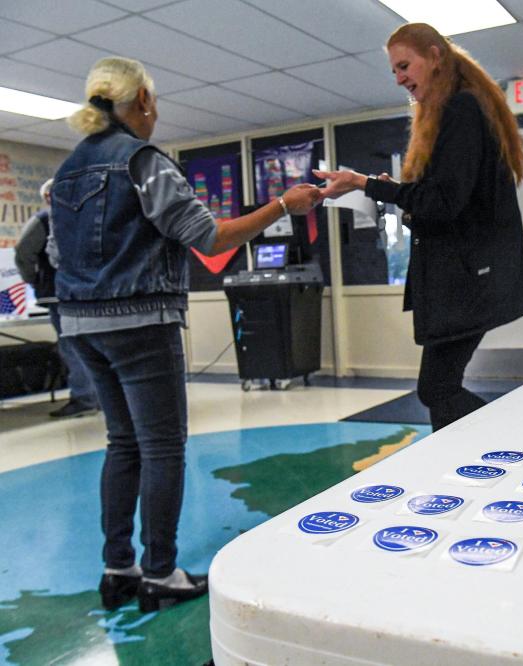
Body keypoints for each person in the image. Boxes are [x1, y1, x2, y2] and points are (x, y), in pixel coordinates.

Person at [51, 57, 320, 613]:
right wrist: (282, 205)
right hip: (140, 321)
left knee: (121, 443)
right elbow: (209, 236)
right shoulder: (142, 160)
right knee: (162, 446)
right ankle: (160, 573)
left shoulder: (68, 171)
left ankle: (117, 568)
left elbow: (52, 253)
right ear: (143, 101)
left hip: (81, 327)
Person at [313, 23, 523, 430]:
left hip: (465, 283)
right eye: (394, 71)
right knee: (439, 388)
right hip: (465, 279)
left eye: (404, 66)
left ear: (434, 56)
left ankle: (514, 437)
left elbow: (443, 202)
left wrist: (367, 184)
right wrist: (399, 191)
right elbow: (445, 197)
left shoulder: (461, 109)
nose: (399, 79)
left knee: (437, 388)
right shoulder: (461, 108)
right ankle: (476, 461)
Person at [14, 179, 100, 417]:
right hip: (92, 294)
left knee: (71, 347)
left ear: (47, 197)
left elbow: (23, 254)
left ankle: (84, 399)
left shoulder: (43, 220)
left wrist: (34, 281)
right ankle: (102, 398)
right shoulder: (91, 217)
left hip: (58, 294)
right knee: (95, 346)